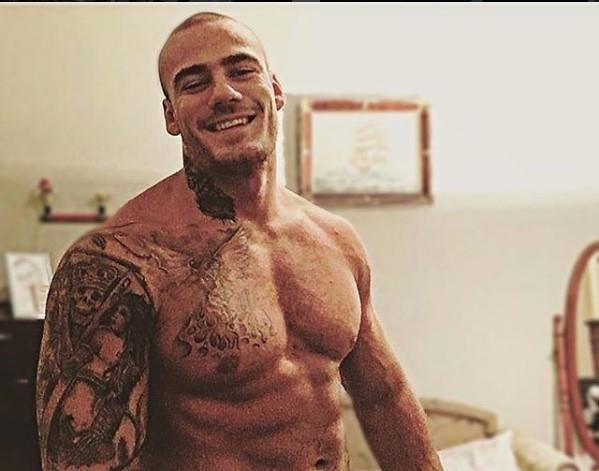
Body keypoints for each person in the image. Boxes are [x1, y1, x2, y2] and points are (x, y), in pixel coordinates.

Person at [36, 12, 442, 471]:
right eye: (194, 83)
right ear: (171, 116)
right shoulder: (123, 261)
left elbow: (384, 396)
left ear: (276, 90)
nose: (224, 93)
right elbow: (81, 458)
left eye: (241, 70)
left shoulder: (335, 241)